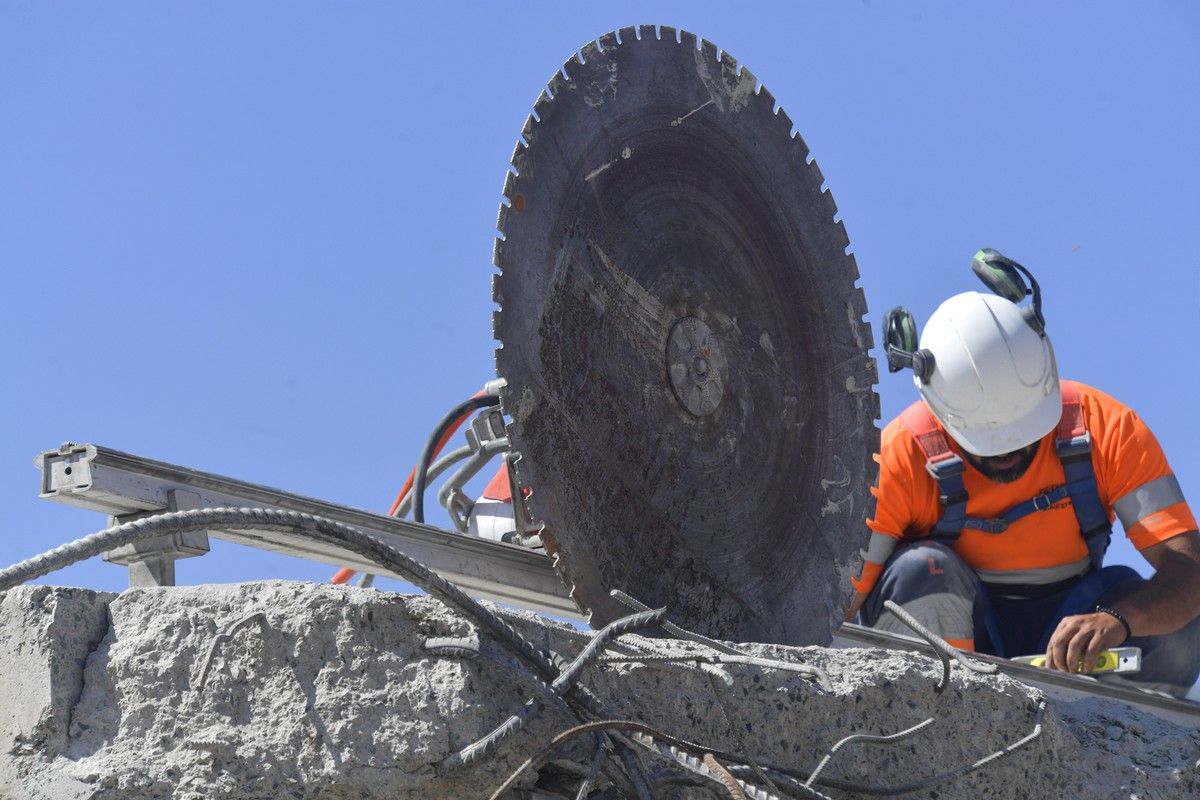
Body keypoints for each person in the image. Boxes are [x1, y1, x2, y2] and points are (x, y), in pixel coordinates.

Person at [846, 249, 1200, 697]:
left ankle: (1118, 752)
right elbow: (835, 602)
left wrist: (1121, 620)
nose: (1009, 457)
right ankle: (937, 720)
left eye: (1024, 436)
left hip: (1074, 643)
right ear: (942, 412)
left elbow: (1191, 573)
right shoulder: (900, 457)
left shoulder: (1107, 430)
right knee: (921, 572)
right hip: (955, 641)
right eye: (990, 446)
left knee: (1178, 624)